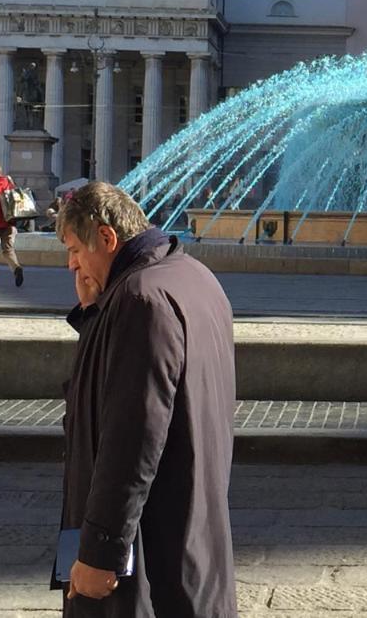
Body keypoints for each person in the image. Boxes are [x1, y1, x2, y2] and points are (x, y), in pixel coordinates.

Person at [52, 182, 236, 615]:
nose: (71, 264)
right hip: (193, 533)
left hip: (149, 554)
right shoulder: (192, 277)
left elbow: (132, 439)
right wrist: (95, 312)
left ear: (108, 238)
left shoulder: (141, 299)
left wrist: (100, 554)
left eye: (76, 249)